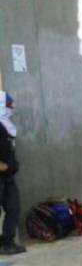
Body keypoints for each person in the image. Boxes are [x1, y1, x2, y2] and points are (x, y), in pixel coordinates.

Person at [0, 91, 25, 255]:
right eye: (8, 106)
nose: (11, 109)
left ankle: (7, 242)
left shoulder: (6, 126)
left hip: (7, 176)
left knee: (13, 207)